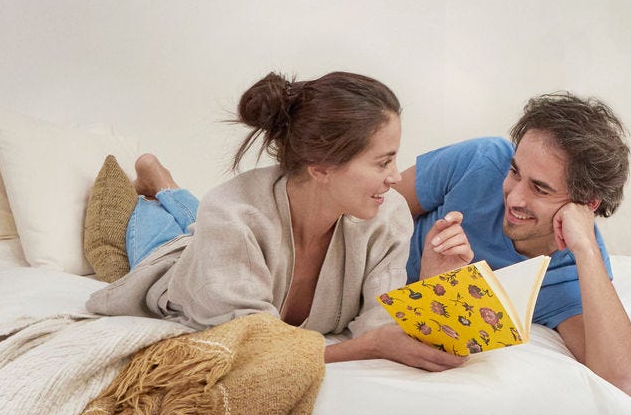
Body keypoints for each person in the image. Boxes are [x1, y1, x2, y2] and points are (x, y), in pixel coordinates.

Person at [86, 70, 462, 372]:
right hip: (179, 268)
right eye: (383, 162)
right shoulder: (230, 215)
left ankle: (164, 182)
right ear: (320, 168)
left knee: (198, 221)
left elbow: (383, 323)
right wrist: (367, 348)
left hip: (224, 240)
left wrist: (436, 283)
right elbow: (251, 346)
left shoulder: (387, 213)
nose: (396, 177)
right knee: (167, 237)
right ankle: (158, 182)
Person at [400, 93, 631, 398]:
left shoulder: (568, 271)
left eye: (540, 189)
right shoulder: (483, 160)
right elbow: (373, 210)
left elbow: (624, 384)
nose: (514, 197)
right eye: (515, 171)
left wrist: (586, 248)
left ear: (587, 204)